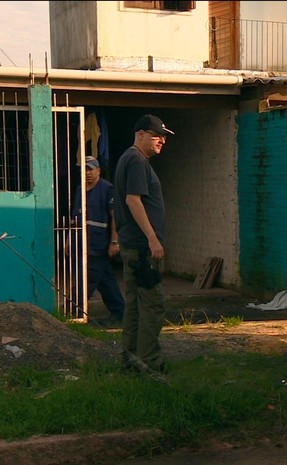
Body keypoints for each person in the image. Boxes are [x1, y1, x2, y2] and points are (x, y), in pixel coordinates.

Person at [114, 114, 174, 374]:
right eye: (156, 135)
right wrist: (152, 239)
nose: (161, 140)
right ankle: (150, 363)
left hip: (133, 246)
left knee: (135, 306)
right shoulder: (137, 160)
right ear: (140, 134)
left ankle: (130, 361)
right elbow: (133, 201)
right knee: (153, 304)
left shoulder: (129, 159)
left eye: (163, 136)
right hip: (141, 249)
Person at [66, 155, 125, 322]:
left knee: (88, 278)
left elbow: (115, 217)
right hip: (81, 242)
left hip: (98, 244)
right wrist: (69, 239)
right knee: (106, 280)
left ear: (98, 170)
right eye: (84, 169)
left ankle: (73, 310)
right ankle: (120, 312)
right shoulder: (79, 190)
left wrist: (115, 241)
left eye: (90, 169)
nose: (87, 173)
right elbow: (75, 218)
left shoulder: (107, 189)